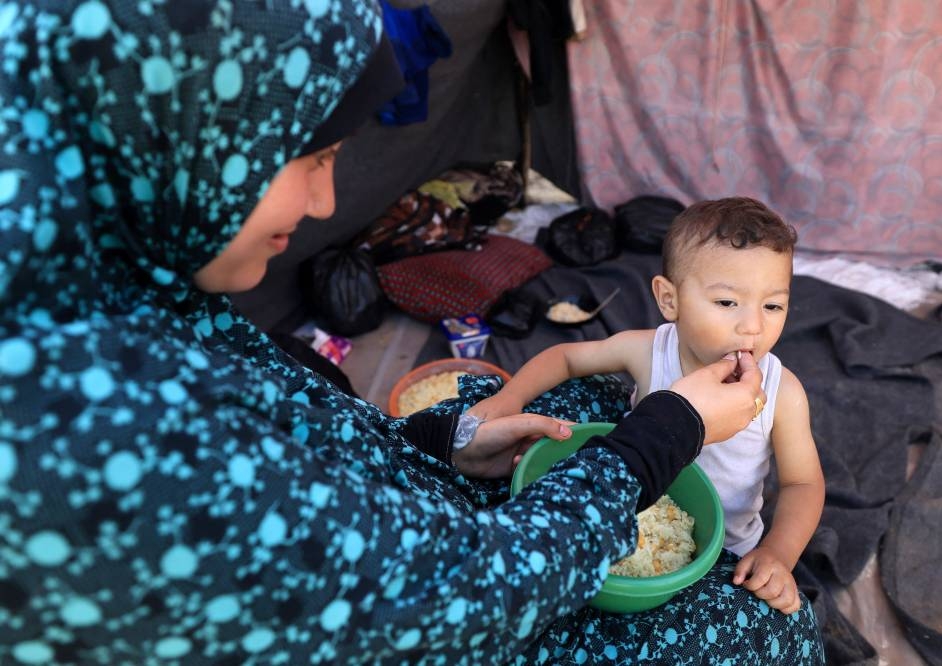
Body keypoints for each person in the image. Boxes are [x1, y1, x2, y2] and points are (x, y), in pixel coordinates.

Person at [0, 3, 823, 664]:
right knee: (767, 634)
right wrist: (661, 437)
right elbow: (473, 598)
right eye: (312, 159)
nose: (327, 206)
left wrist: (438, 441)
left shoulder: (117, 288)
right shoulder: (83, 435)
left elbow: (299, 440)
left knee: (498, 400)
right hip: (470, 605)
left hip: (421, 550)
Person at [471, 197, 826, 615]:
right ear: (669, 299)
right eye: (727, 302)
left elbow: (804, 484)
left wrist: (778, 555)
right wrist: (509, 397)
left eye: (773, 305)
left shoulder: (782, 392)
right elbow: (566, 358)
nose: (753, 326)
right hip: (629, 518)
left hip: (727, 555)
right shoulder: (649, 352)